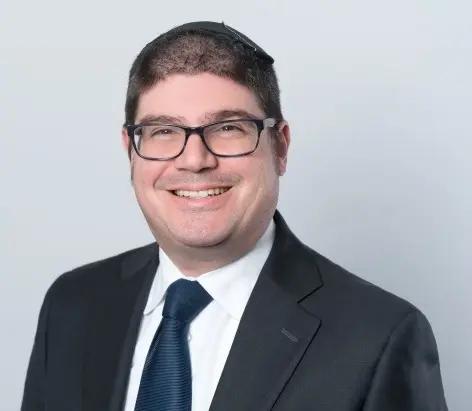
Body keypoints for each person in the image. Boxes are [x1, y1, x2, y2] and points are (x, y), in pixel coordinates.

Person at [21, 21, 448, 411]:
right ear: (130, 150)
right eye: (163, 131)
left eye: (227, 128)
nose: (194, 160)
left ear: (280, 147)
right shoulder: (72, 305)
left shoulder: (379, 338)